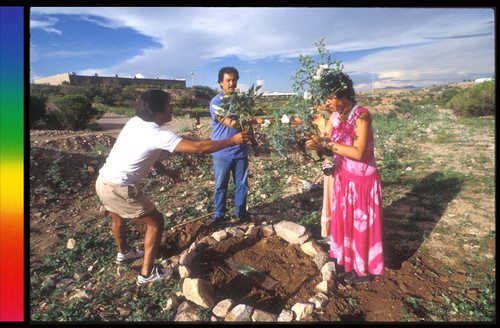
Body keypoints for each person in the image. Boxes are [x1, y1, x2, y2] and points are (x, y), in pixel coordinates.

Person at [96, 89, 250, 285]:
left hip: (103, 181)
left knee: (117, 217)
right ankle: (146, 274)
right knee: (156, 223)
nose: (172, 108)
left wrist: (165, 170)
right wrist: (232, 140)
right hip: (120, 187)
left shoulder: (134, 123)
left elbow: (139, 153)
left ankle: (124, 252)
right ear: (157, 111)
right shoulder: (158, 134)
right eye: (168, 105)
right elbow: (199, 148)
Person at [305, 72, 384, 284]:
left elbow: (358, 152)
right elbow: (329, 139)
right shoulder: (335, 116)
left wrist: (325, 144)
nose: (327, 103)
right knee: (348, 225)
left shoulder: (362, 116)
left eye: (329, 97)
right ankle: (352, 264)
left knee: (361, 227)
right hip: (343, 179)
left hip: (361, 183)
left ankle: (364, 271)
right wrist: (316, 141)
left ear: (343, 94)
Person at [209, 67, 259, 224]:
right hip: (222, 152)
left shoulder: (241, 101)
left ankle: (241, 214)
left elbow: (246, 127)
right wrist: (254, 120)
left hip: (240, 152)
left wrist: (254, 143)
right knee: (220, 186)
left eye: (234, 80)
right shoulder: (216, 102)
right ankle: (219, 215)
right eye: (228, 80)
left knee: (242, 185)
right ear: (221, 83)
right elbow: (231, 123)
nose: (231, 83)